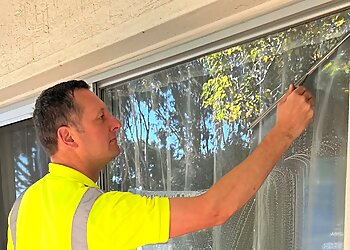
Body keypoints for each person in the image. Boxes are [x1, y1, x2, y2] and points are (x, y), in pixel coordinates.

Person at [7, 80, 314, 250]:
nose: (116, 123)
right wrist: (284, 131)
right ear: (68, 137)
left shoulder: (22, 209)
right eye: (101, 117)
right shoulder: (97, 213)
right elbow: (214, 209)